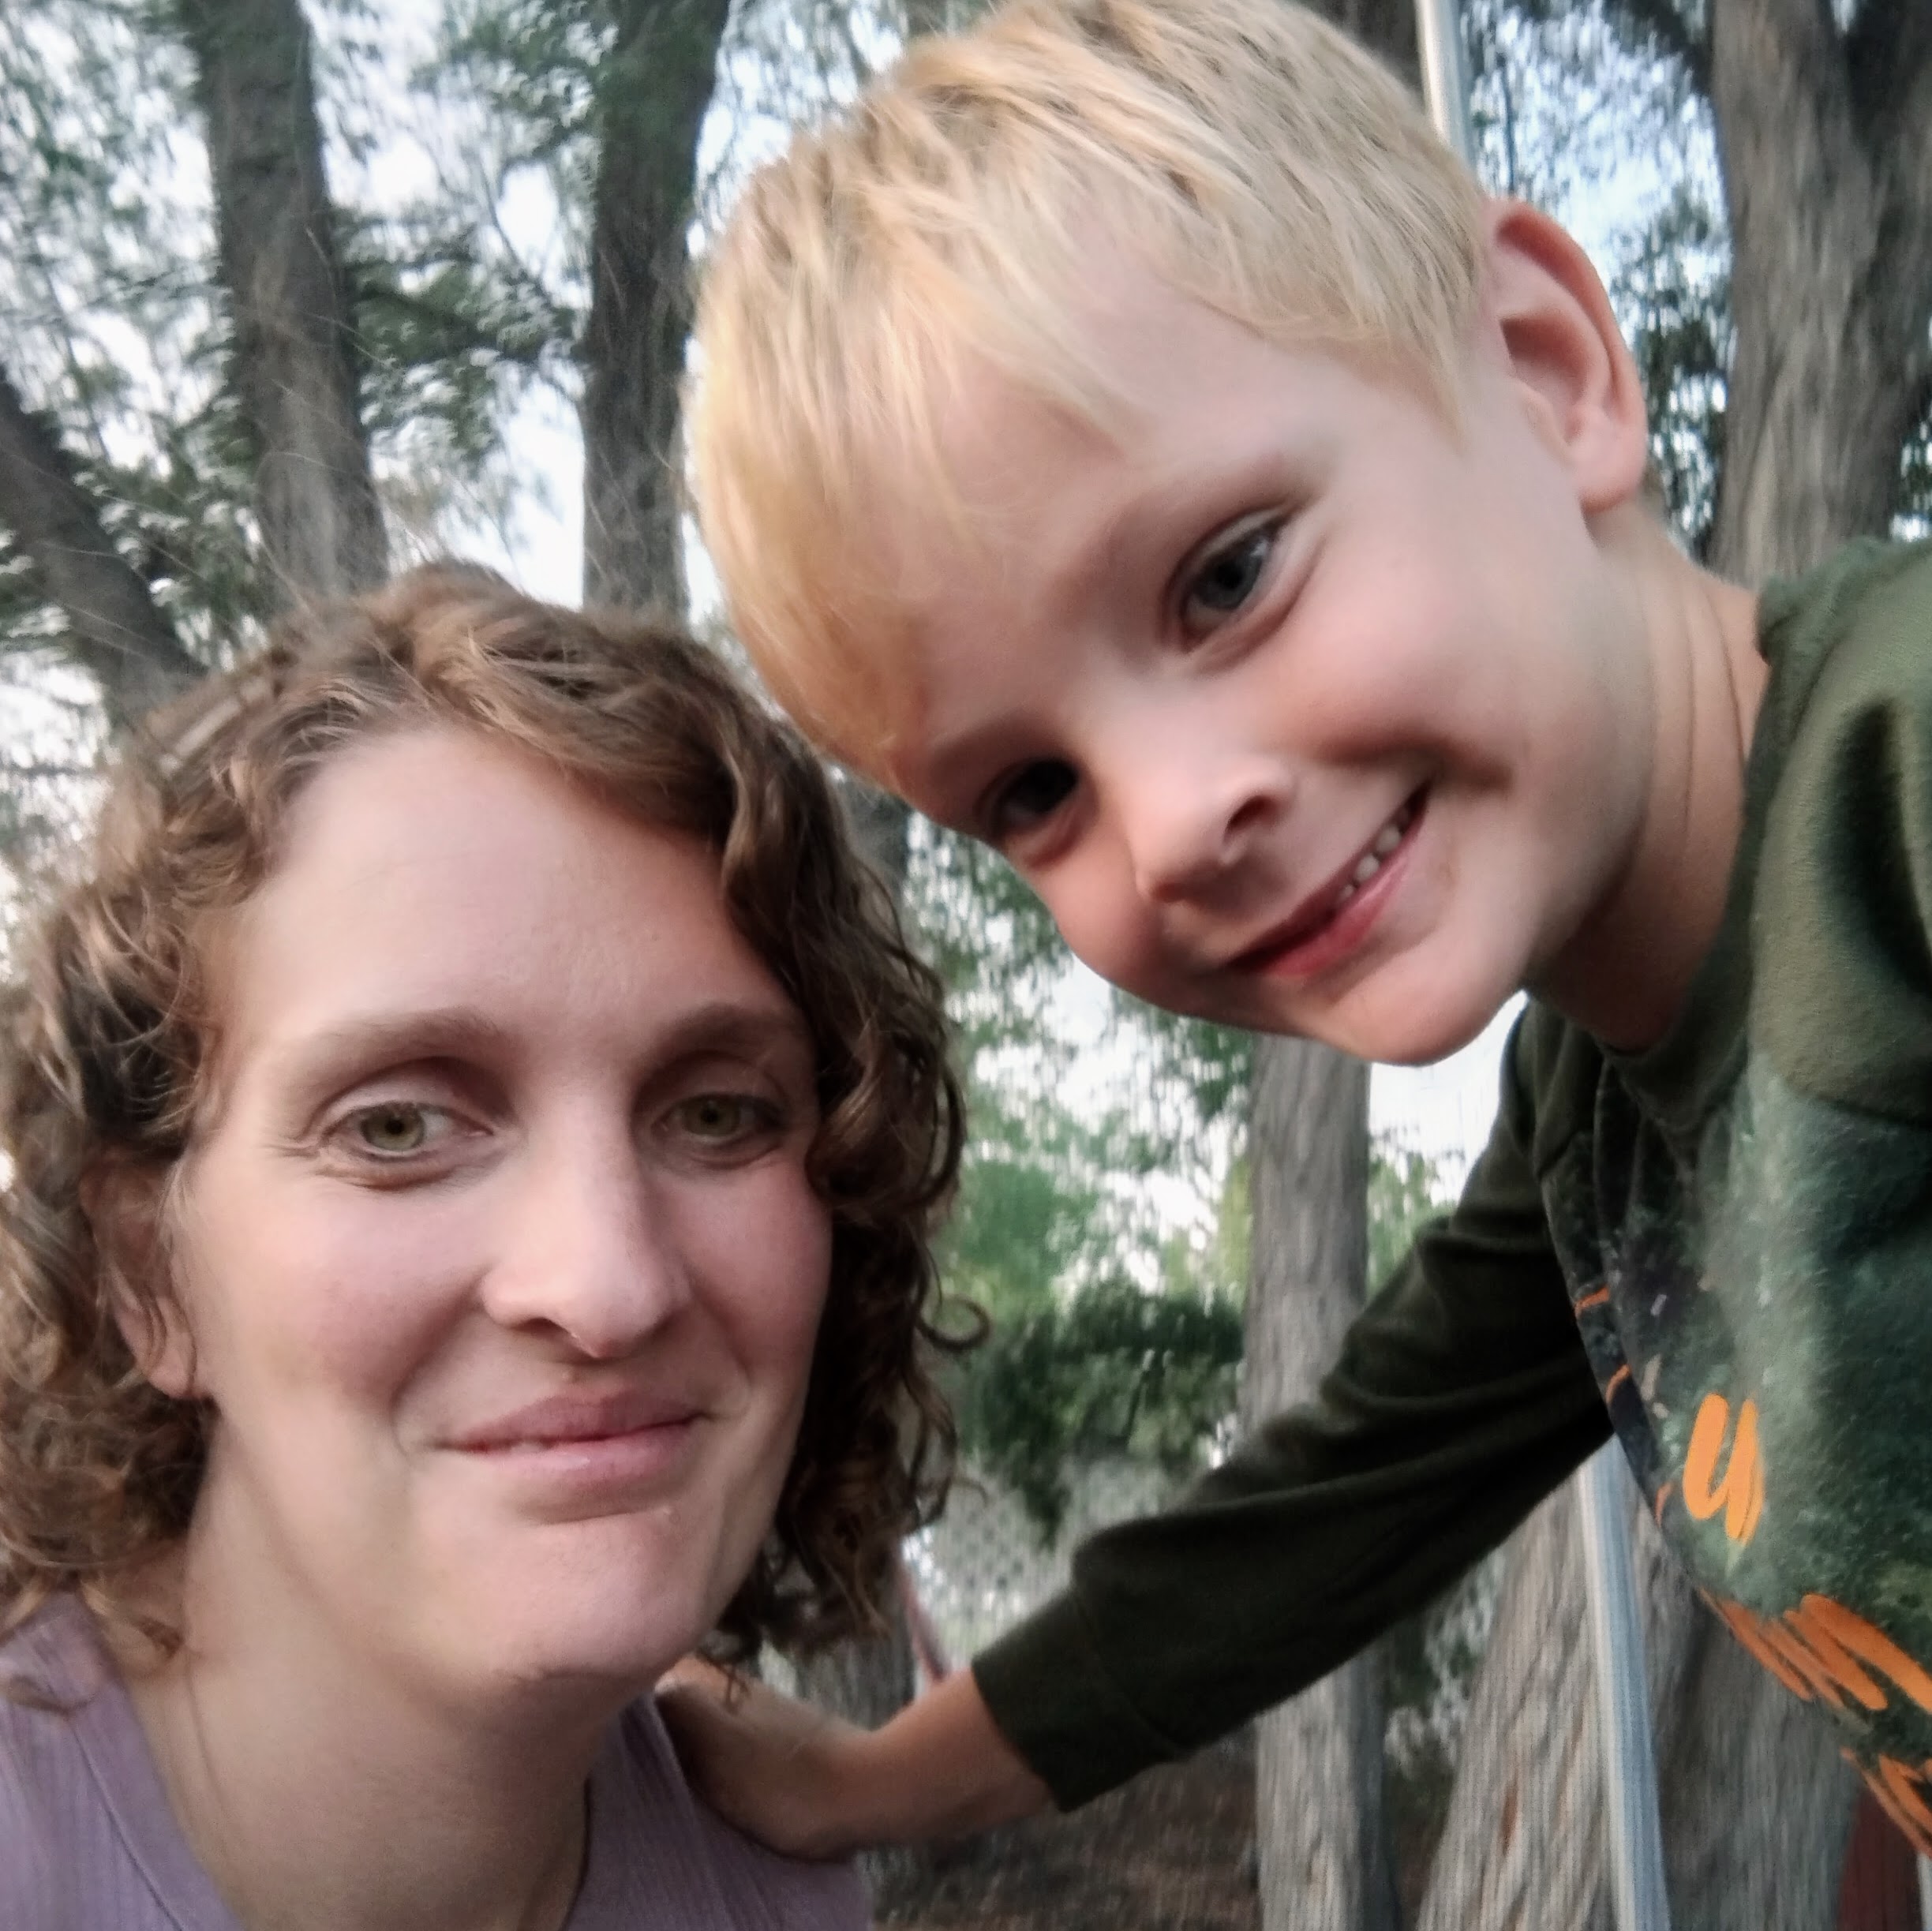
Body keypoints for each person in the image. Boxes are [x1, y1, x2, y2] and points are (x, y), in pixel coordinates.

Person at [660, 0, 1932, 1864]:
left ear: (1545, 372)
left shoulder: (1897, 773)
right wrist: (865, 1786)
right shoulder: (1605, 1122)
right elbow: (1331, 1515)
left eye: (1230, 575)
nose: (1176, 822)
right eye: (1035, 791)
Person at [0, 564, 963, 1929]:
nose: (608, 1286)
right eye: (396, 1127)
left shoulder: (782, 1890)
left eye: (715, 1114)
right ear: (149, 1274)